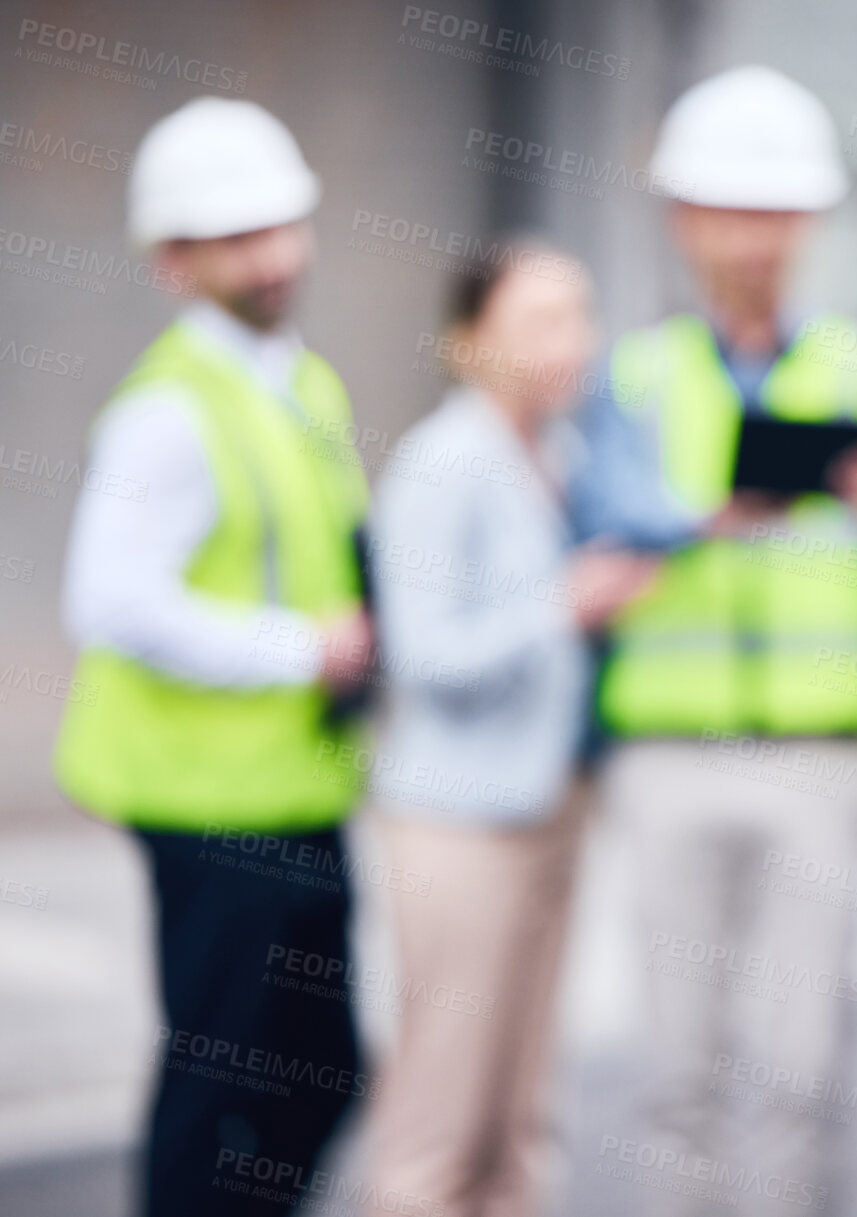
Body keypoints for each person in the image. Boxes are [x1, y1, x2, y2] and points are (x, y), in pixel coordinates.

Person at [580, 65, 857, 1214]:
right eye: (728, 209)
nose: (752, 237)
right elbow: (588, 546)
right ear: (683, 221)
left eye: (774, 210)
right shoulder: (629, 378)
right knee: (675, 1069)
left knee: (801, 1069)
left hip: (820, 759)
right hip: (667, 756)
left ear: (809, 221)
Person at [54, 98, 373, 1216]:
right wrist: (300, 648)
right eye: (238, 235)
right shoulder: (170, 414)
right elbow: (107, 600)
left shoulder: (298, 383)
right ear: (174, 261)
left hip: (294, 789)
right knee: (218, 1072)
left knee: (324, 1066)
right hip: (207, 804)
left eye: (283, 224)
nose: (274, 254)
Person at [362, 239, 656, 1217]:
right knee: (439, 1120)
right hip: (460, 821)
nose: (571, 342)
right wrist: (563, 604)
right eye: (538, 321)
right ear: (466, 342)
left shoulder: (563, 451)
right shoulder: (442, 463)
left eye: (578, 314)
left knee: (522, 1115)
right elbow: (425, 654)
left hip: (548, 803)